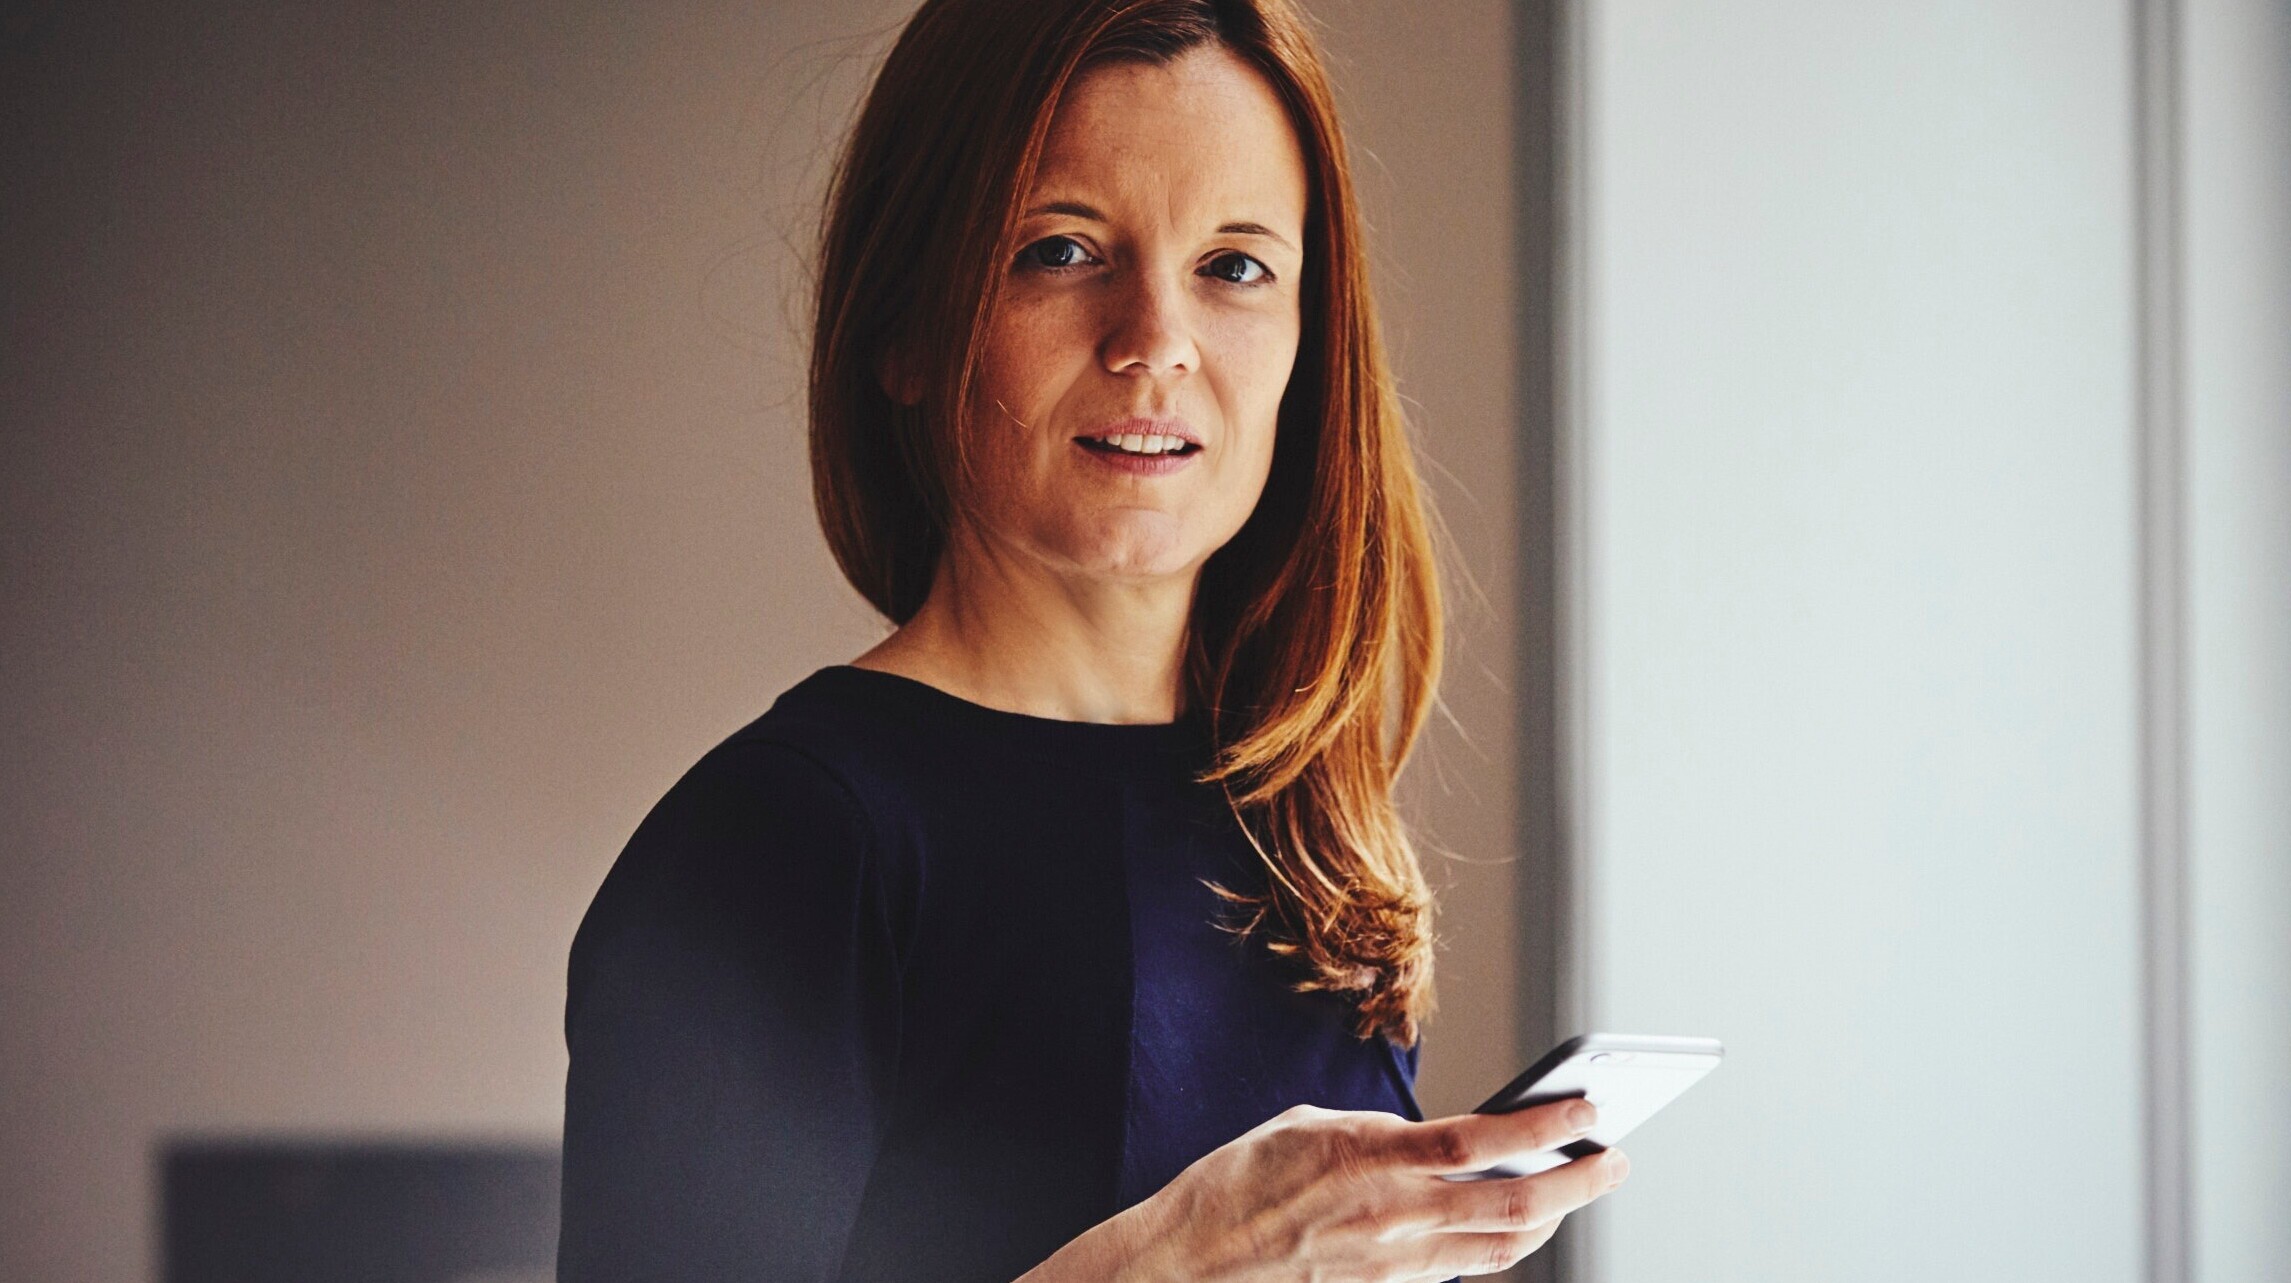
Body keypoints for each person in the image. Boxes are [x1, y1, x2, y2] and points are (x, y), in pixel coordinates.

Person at [553, 1, 1626, 1279]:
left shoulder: (1304, 834)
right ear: (906, 326)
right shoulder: (772, 848)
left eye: (1234, 267)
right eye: (1061, 251)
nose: (1154, 343)